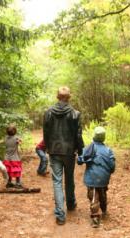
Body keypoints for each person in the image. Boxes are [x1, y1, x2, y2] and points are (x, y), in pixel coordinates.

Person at [43, 86, 84, 225]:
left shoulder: (48, 113)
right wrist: (80, 150)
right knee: (69, 178)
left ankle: (60, 215)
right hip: (69, 151)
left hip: (54, 151)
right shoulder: (75, 113)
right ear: (68, 97)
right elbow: (78, 135)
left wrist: (47, 147)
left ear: (57, 97)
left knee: (57, 181)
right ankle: (71, 204)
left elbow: (46, 133)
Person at [77, 126, 115, 228]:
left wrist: (80, 157)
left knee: (94, 196)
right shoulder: (108, 150)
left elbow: (79, 161)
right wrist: (109, 172)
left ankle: (95, 218)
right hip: (104, 178)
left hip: (91, 178)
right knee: (102, 192)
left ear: (94, 136)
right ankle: (104, 209)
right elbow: (112, 166)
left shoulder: (89, 148)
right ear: (104, 137)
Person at [3, 124, 23, 188]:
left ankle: (9, 182)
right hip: (15, 158)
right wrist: (18, 141)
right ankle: (18, 183)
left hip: (7, 158)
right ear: (15, 131)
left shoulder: (5, 138)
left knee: (9, 170)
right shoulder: (16, 138)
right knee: (17, 170)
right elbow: (20, 142)